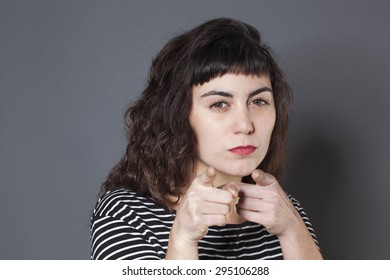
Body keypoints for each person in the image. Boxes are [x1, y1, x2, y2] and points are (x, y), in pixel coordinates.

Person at [90, 18, 322, 260]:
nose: (245, 125)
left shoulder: (284, 211)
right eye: (219, 104)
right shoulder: (126, 214)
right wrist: (183, 239)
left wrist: (292, 231)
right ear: (178, 115)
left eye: (258, 101)